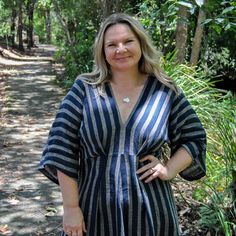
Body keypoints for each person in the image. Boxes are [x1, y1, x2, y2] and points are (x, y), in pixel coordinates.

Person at [38, 13, 206, 236]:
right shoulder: (85, 89)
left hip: (151, 211)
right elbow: (61, 146)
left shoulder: (164, 91)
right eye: (112, 44)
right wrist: (70, 208)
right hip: (93, 209)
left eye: (128, 41)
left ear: (141, 44)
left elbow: (194, 136)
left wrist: (168, 169)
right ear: (103, 51)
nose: (121, 49)